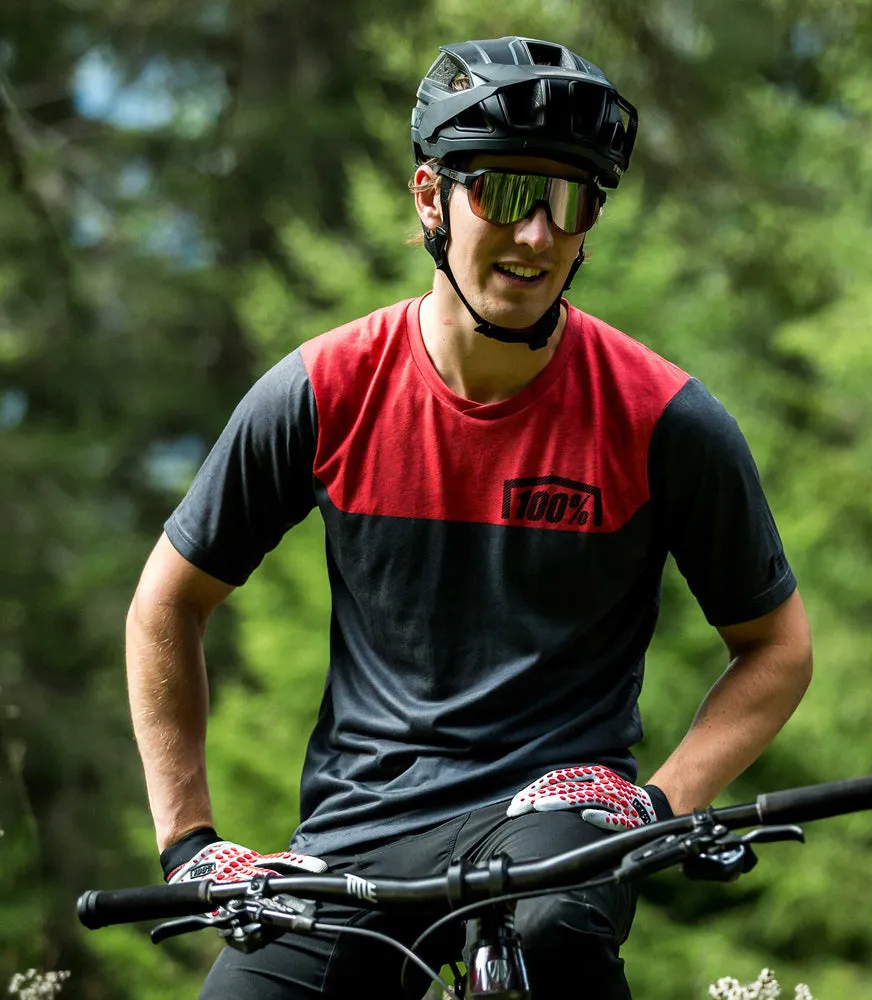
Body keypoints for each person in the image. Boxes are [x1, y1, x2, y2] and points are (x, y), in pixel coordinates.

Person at [125, 35, 812, 1000]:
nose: (537, 235)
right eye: (508, 192)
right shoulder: (322, 391)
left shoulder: (665, 421)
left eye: (569, 202)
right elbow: (166, 603)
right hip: (357, 833)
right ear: (429, 198)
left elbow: (777, 646)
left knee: (552, 938)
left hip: (555, 817)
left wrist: (656, 803)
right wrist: (190, 843)